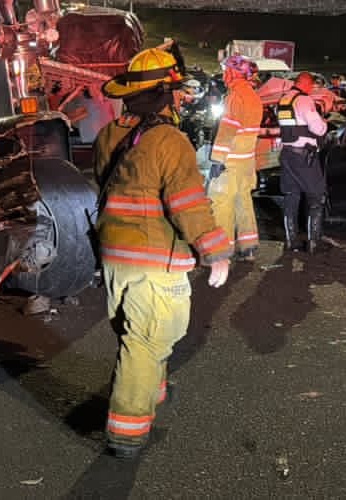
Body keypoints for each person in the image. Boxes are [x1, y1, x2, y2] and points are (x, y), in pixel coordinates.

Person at [95, 47, 233, 460]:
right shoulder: (170, 141)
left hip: (114, 254)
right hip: (154, 259)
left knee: (135, 333)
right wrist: (215, 252)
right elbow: (187, 202)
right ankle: (127, 431)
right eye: (176, 91)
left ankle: (149, 393)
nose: (181, 98)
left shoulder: (110, 134)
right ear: (163, 94)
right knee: (150, 338)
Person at [208, 55, 265, 260]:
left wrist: (217, 160)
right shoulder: (253, 96)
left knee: (221, 202)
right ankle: (248, 246)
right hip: (246, 161)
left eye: (225, 70)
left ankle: (221, 251)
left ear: (233, 72)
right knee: (243, 200)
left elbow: (227, 131)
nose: (223, 74)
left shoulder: (234, 97)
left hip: (230, 161)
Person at [276, 71, 329, 252]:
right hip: (303, 156)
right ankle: (314, 243)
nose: (312, 89)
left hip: (287, 154)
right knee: (317, 197)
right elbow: (318, 128)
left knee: (291, 196)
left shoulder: (284, 100)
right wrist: (324, 122)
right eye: (311, 86)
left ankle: (291, 241)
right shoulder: (304, 100)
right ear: (306, 83)